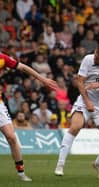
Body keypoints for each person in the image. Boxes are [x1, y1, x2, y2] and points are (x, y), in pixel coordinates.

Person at [54, 43, 99, 182]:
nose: (95, 57)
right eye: (95, 53)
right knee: (75, 126)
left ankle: (97, 163)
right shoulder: (88, 59)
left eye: (98, 55)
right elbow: (80, 82)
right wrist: (87, 101)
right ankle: (60, 164)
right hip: (84, 101)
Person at [0, 53, 58, 181]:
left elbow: (23, 68)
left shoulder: (2, 58)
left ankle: (21, 173)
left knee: (11, 137)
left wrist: (41, 79)